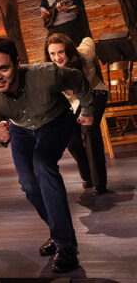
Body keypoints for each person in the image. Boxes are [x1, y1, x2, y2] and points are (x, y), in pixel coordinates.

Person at [0, 37, 94, 273]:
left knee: (43, 165)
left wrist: (88, 110)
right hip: (21, 129)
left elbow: (79, 80)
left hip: (55, 120)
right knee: (29, 184)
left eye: (3, 68)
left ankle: (66, 246)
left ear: (17, 63)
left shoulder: (47, 74)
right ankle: (58, 231)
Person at [45, 33, 109, 195]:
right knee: (70, 138)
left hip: (94, 92)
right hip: (73, 103)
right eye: (52, 53)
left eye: (60, 52)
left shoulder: (83, 55)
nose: (57, 57)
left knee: (89, 131)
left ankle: (99, 183)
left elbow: (87, 40)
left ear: (69, 50)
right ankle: (87, 175)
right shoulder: (51, 71)